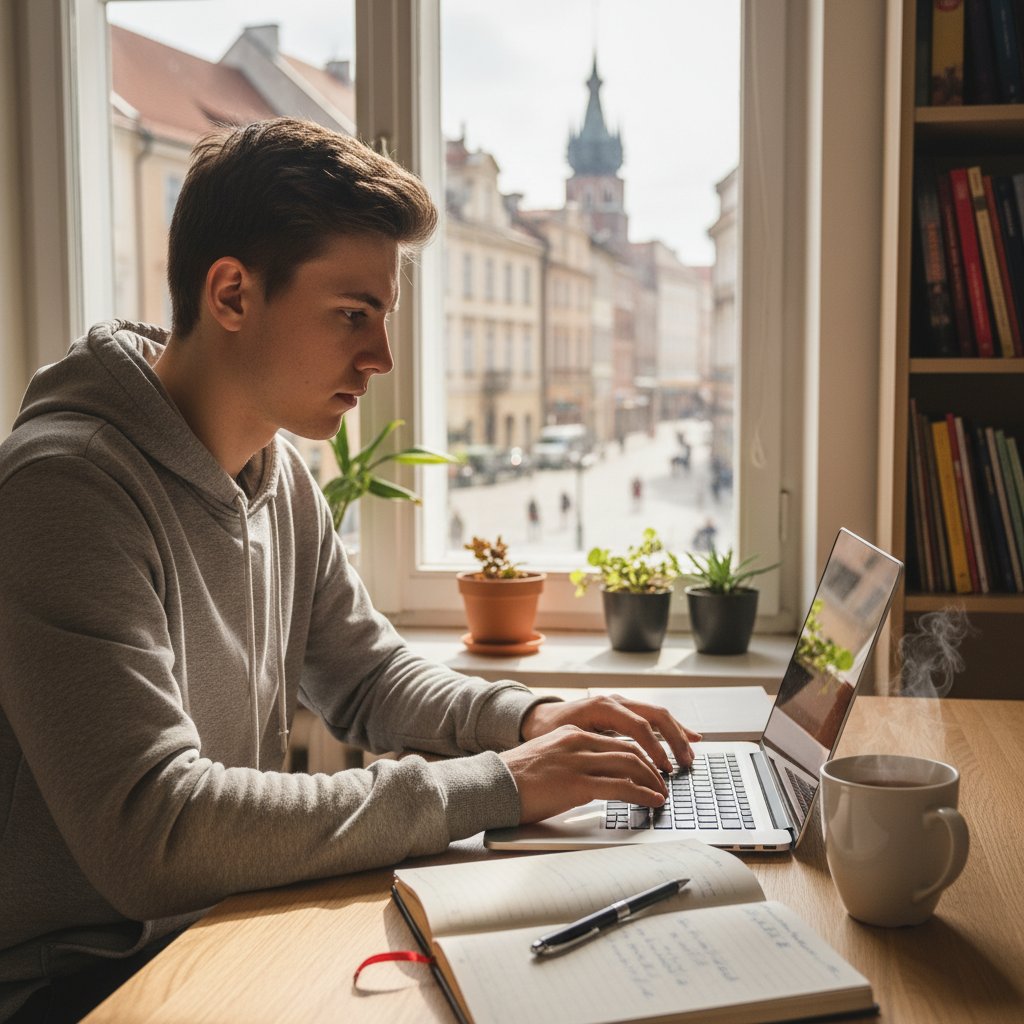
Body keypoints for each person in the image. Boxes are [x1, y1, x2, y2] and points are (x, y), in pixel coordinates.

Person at [0, 118, 699, 1022]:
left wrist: (531, 716)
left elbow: (365, 675)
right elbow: (155, 830)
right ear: (231, 295)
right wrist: (505, 783)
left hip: (217, 930)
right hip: (78, 987)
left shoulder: (276, 470)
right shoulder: (67, 487)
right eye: (351, 315)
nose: (382, 358)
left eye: (384, 317)